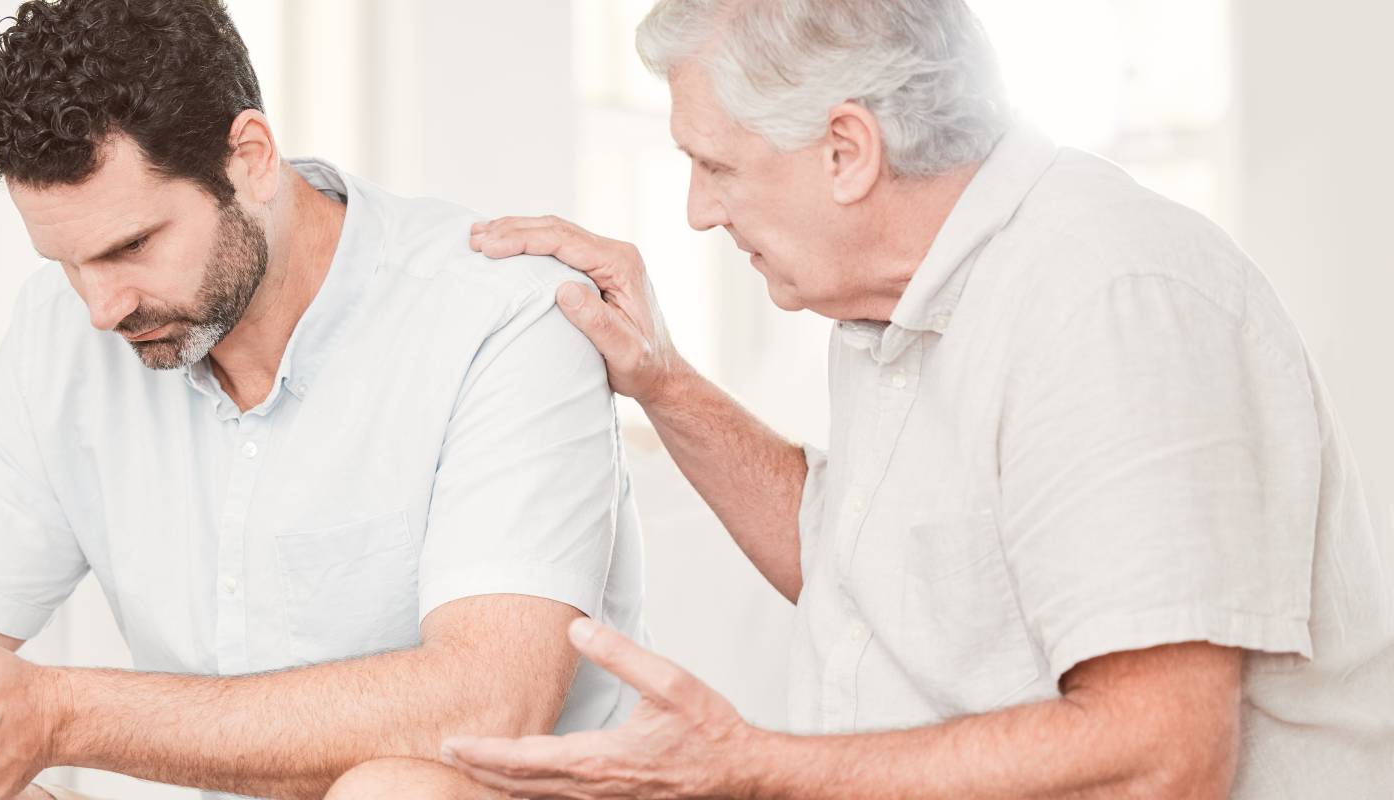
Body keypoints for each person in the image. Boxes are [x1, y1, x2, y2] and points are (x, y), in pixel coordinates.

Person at [441, 0, 1394, 797]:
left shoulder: (1110, 299)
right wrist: (662, 379)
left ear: (847, 150)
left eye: (718, 165)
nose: (700, 210)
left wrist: (752, 768)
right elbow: (860, 574)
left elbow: (1160, 760)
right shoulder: (901, 305)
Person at [0, 1, 643, 798]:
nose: (100, 308)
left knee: (391, 789)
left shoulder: (503, 315)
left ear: (249, 159)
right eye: (67, 263)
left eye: (129, 248)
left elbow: (491, 701)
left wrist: (60, 713)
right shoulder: (66, 330)